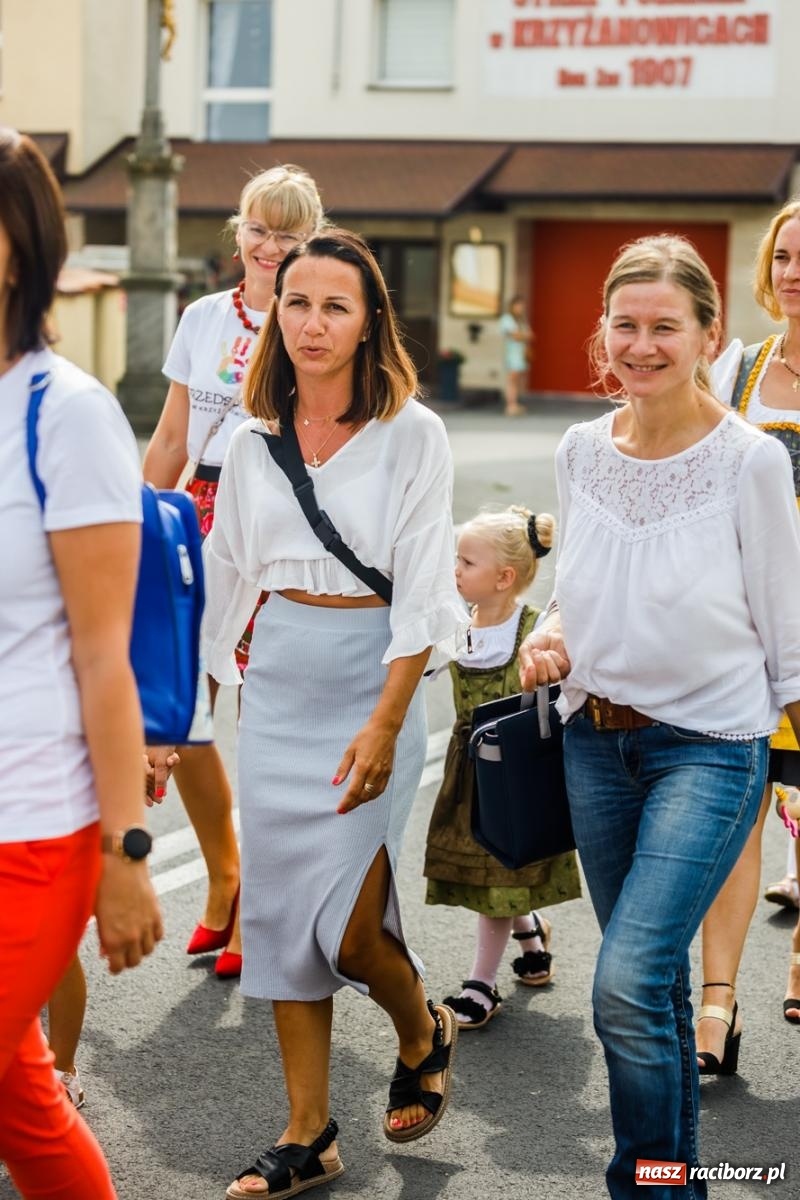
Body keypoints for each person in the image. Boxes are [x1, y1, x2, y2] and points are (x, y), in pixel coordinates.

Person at [518, 233, 800, 1199]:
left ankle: (642, 1183)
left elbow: (787, 624)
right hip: (594, 742)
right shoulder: (579, 451)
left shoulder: (750, 462)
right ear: (604, 332)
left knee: (626, 983)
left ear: (707, 334)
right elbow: (576, 586)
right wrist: (548, 634)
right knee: (654, 989)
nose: (642, 345)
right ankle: (677, 1183)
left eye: (665, 327)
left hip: (713, 751)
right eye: (626, 326)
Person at [200, 229, 466, 1197]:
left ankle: (418, 1024)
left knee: (349, 932)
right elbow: (228, 573)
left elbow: (424, 595)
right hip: (279, 680)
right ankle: (308, 1131)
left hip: (373, 676)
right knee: (278, 923)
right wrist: (191, 707)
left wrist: (390, 720)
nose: (311, 323)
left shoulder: (412, 434)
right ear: (275, 313)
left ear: (367, 324)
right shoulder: (248, 439)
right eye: (296, 302)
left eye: (335, 307)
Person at [0, 128, 162, 1199]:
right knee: (21, 1094)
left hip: (32, 820)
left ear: (14, 247)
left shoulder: (67, 414)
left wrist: (126, 850)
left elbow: (106, 657)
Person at [143, 163, 325, 979]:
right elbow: (174, 438)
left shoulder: (314, 323)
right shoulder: (203, 319)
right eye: (259, 229)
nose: (270, 247)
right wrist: (136, 528)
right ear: (239, 231)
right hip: (198, 516)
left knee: (266, 719)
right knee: (182, 711)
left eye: (289, 235)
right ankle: (223, 876)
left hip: (279, 517)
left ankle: (261, 903)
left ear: (309, 242)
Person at [698, 198, 800, 1054]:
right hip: (743, 626)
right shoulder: (736, 370)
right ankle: (718, 1004)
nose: (793, 272)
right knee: (741, 812)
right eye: (784, 257)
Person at [423, 506, 581, 1029]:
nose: (455, 570)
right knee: (495, 872)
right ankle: (531, 937)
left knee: (499, 874)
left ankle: (481, 984)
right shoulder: (456, 622)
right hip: (470, 771)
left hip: (514, 775)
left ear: (503, 577)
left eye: (466, 562)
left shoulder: (533, 629)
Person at [499, 295, 533, 417]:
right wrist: (523, 335)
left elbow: (529, 335)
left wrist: (523, 335)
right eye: (518, 305)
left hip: (520, 354)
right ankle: (510, 405)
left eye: (522, 306)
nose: (520, 308)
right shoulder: (507, 319)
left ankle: (514, 403)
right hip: (512, 354)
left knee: (517, 380)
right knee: (512, 380)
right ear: (512, 306)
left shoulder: (520, 320)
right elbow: (516, 336)